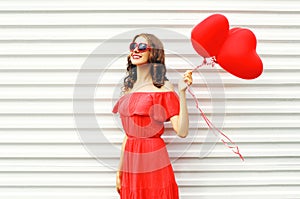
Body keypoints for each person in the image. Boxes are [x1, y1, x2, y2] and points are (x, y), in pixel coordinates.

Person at [112, 33, 193, 199]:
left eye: (142, 47)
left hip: (154, 158)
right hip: (131, 160)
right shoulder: (128, 88)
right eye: (133, 46)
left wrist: (182, 93)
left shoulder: (164, 88)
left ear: (153, 53)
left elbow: (182, 132)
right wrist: (119, 170)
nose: (136, 50)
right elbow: (127, 136)